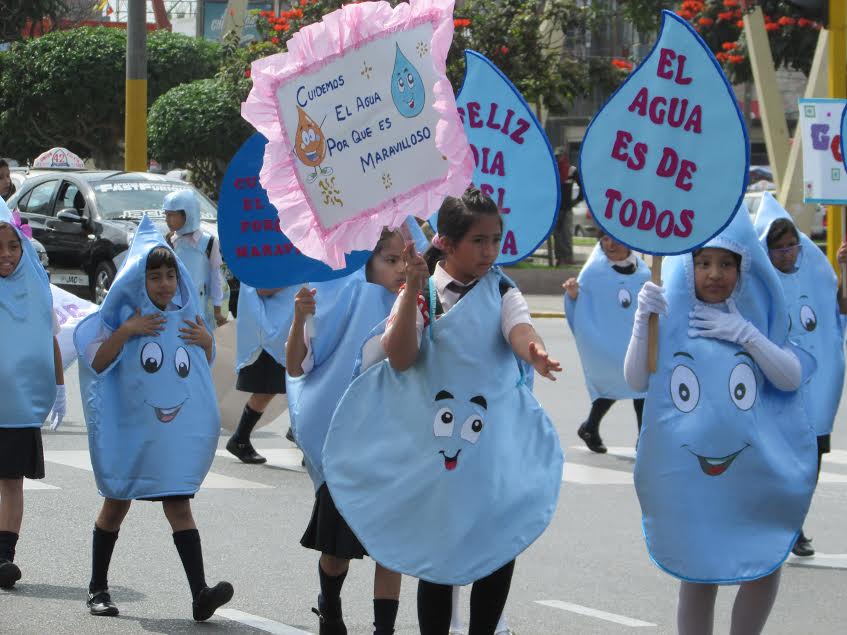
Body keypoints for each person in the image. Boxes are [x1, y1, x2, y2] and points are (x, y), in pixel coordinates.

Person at [319, 188, 563, 635]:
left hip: (489, 452)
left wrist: (536, 352)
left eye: (495, 239)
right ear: (448, 244)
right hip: (439, 457)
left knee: (497, 544)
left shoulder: (503, 289)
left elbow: (519, 327)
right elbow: (400, 357)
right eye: (479, 241)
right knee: (438, 552)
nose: (490, 250)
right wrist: (412, 287)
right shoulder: (426, 294)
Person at [624, 210, 816, 635]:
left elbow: (790, 377)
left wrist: (745, 333)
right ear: (687, 265)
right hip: (692, 479)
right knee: (698, 572)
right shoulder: (668, 315)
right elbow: (637, 379)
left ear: (743, 267)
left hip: (754, 474)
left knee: (765, 563)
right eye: (703, 262)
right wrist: (642, 322)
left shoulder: (756, 320)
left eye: (727, 263)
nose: (715, 274)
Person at [74, 216, 233, 620]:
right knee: (116, 503)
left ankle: (200, 592)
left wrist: (207, 340)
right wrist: (127, 330)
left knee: (179, 504)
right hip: (132, 433)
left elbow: (199, 368)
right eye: (154, 277)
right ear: (136, 282)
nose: (164, 284)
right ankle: (97, 588)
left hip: (169, 437)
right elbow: (98, 361)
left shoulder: (187, 318)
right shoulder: (124, 320)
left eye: (170, 276)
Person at [286, 228, 408, 635]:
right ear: (367, 260)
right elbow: (297, 365)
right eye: (391, 260)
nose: (401, 268)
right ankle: (330, 606)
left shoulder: (417, 305)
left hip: (392, 446)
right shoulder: (336, 298)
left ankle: (383, 630)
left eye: (406, 259)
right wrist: (301, 316)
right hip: (342, 444)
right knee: (336, 552)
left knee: (391, 548)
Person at [755, 193, 846, 558]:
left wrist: (843, 270)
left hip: (819, 387)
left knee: (813, 459)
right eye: (778, 249)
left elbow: (839, 309)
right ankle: (782, 523)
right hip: (778, 390)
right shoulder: (757, 285)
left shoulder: (816, 271)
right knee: (781, 458)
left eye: (792, 245)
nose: (788, 253)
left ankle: (793, 523)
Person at [0, 199, 65, 589]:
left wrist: (59, 388)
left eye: (13, 246)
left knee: (12, 482)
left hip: (21, 405)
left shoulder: (36, 285)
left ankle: (4, 557)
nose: (6, 255)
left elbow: (50, 338)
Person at [564, 230, 649, 452]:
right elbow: (583, 304)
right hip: (609, 345)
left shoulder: (643, 273)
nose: (610, 244)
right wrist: (574, 295)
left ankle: (640, 438)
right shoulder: (593, 272)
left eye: (616, 237)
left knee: (641, 388)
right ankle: (594, 427)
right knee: (616, 383)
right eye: (606, 239)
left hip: (636, 342)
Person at [226, 285, 297, 463]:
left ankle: (297, 432)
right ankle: (240, 438)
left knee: (297, 382)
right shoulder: (268, 257)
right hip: (271, 329)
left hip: (289, 324)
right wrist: (296, 273)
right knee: (268, 388)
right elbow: (263, 287)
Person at [163, 190, 227, 331]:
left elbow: (215, 278)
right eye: (166, 215)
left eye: (172, 215)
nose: (167, 220)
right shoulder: (169, 240)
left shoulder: (209, 242)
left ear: (188, 214)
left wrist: (217, 310)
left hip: (199, 309)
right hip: (173, 307)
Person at [552, 147, 581, 266]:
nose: (558, 159)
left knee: (567, 233)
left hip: (567, 208)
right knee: (557, 234)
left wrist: (576, 201)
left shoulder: (572, 170)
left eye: (560, 156)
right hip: (555, 209)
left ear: (565, 156)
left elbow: (582, 188)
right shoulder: (552, 170)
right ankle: (559, 259)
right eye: (556, 156)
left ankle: (569, 257)